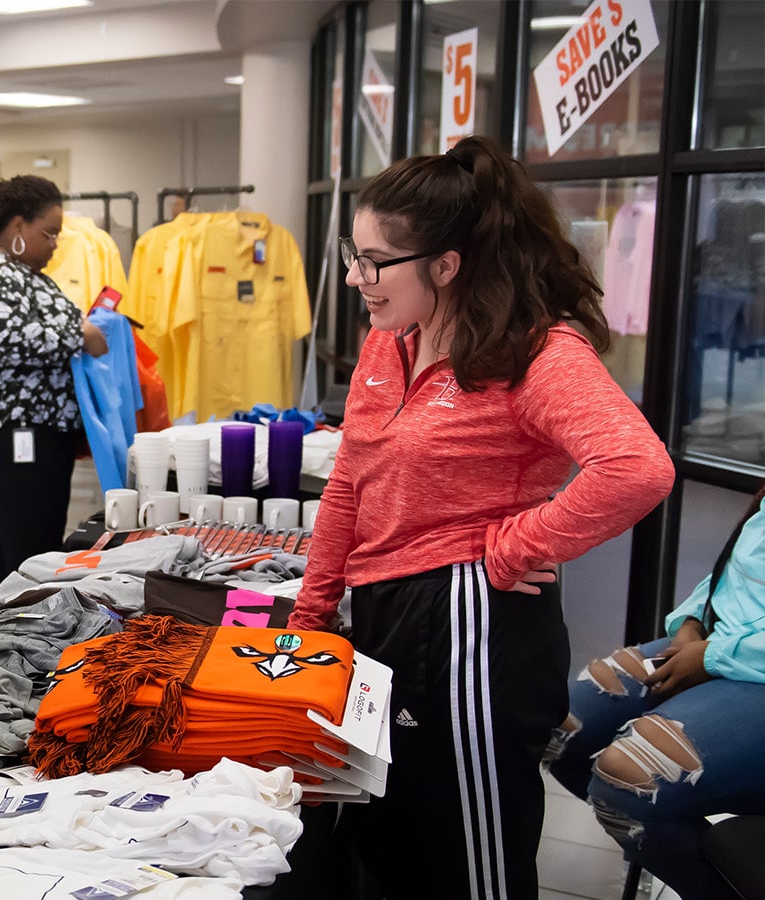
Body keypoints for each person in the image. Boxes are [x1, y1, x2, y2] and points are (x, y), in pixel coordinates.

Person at [285, 135, 674, 899]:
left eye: (375, 261)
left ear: (446, 262)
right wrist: (311, 608)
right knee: (393, 839)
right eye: (352, 256)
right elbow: (350, 485)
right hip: (391, 607)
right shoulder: (387, 341)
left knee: (469, 860)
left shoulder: (535, 352)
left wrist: (515, 544)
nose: (358, 278)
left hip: (473, 622)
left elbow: (637, 468)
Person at [546, 485, 765, 899]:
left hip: (744, 665)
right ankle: (662, 843)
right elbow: (739, 569)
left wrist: (712, 657)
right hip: (719, 644)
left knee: (630, 781)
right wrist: (690, 621)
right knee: (561, 727)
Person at [0, 175, 108, 593]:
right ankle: (26, 645)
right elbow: (7, 339)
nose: (54, 244)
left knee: (13, 553)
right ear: (17, 227)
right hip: (9, 435)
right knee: (34, 556)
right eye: (48, 233)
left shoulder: (22, 274)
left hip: (33, 433)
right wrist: (81, 336)